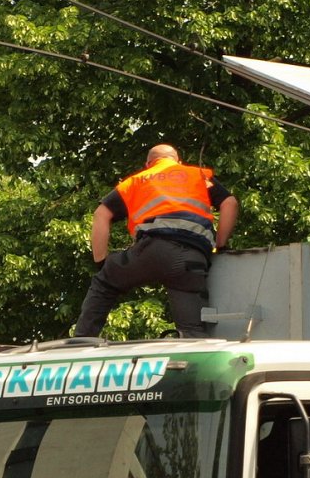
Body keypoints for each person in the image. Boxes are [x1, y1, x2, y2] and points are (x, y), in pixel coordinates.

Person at [74, 144, 238, 338]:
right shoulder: (198, 175)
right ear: (178, 161)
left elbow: (101, 214)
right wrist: (220, 245)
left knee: (105, 283)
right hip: (190, 259)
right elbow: (230, 202)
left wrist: (101, 263)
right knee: (193, 332)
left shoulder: (137, 180)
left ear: (148, 164)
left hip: (150, 250)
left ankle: (82, 340)